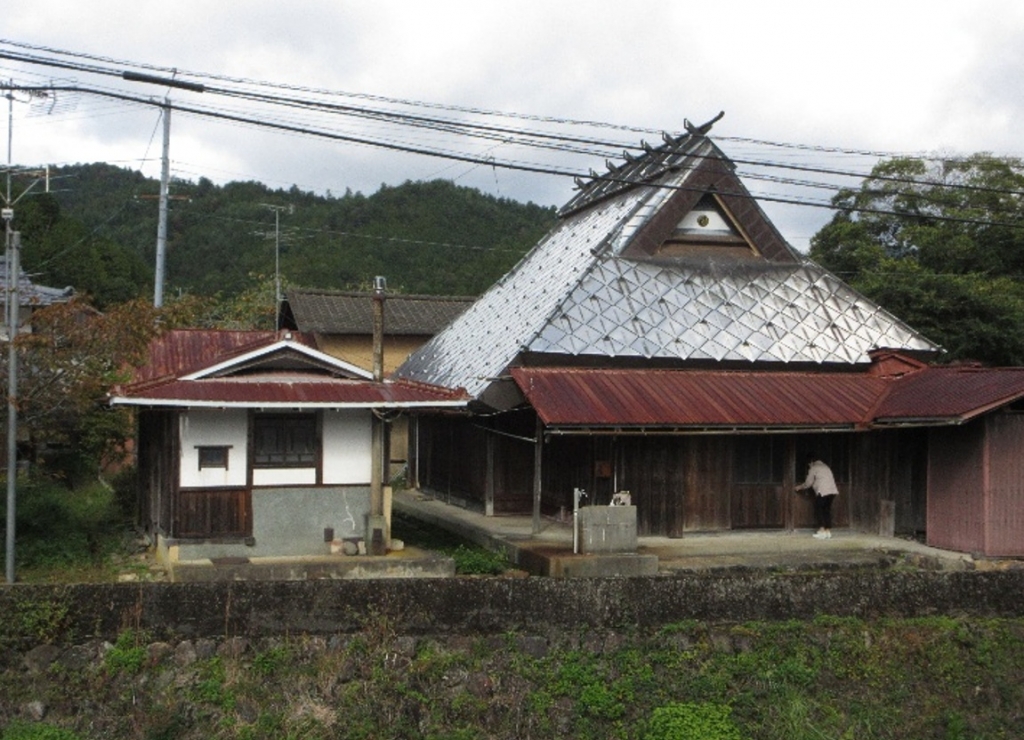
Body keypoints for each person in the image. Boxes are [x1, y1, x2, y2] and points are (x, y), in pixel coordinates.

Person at [794, 453, 839, 539]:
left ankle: (821, 530)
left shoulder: (814, 468)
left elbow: (808, 483)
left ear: (811, 462)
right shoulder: (826, 466)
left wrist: (799, 487)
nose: (809, 466)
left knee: (819, 510)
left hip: (823, 491)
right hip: (832, 491)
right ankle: (827, 531)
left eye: (808, 464)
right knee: (827, 510)